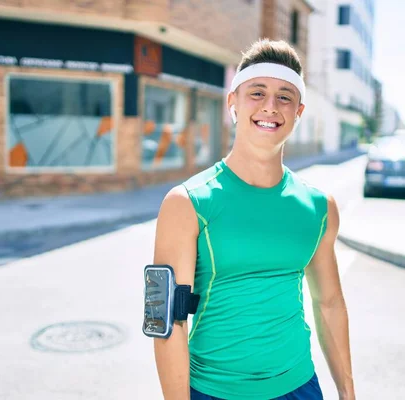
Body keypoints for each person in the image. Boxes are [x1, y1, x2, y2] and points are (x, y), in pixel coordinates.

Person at [152, 39, 355, 400]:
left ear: (298, 112)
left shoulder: (320, 207)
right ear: (233, 103)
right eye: (257, 93)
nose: (270, 107)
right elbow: (167, 323)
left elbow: (329, 303)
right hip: (213, 391)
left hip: (299, 388)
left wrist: (347, 392)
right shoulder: (187, 203)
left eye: (284, 97)